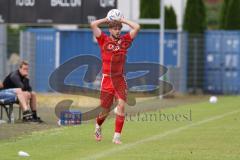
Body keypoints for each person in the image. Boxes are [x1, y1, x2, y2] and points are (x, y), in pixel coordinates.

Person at [90, 16, 140, 144]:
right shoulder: (103, 40)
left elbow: (137, 27)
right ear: (110, 30)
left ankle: (117, 136)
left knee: (121, 105)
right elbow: (93, 25)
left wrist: (123, 20)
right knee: (105, 110)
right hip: (107, 79)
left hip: (120, 79)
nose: (118, 31)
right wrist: (106, 19)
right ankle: (98, 126)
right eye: (115, 28)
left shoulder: (125, 40)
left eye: (119, 29)